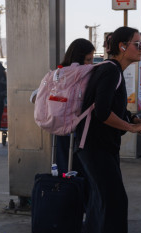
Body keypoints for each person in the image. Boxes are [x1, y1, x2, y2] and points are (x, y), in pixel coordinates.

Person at [72, 26, 141, 233]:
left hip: (94, 145)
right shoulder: (110, 71)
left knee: (100, 198)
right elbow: (102, 112)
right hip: (96, 146)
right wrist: (130, 127)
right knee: (115, 199)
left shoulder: (111, 70)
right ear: (122, 46)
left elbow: (106, 107)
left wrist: (132, 118)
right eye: (137, 44)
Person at [54, 38, 96, 176]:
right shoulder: (85, 76)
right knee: (80, 174)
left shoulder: (59, 73)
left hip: (62, 130)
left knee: (65, 171)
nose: (91, 64)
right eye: (88, 59)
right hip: (79, 131)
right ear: (78, 58)